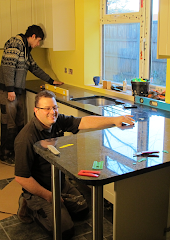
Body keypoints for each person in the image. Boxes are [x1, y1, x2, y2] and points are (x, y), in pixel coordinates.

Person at [14, 90, 135, 239]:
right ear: (36, 110)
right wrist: (49, 196)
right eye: (47, 108)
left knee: (82, 211)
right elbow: (21, 178)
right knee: (65, 231)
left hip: (59, 183)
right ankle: (29, 206)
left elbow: (83, 122)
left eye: (55, 107)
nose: (52, 112)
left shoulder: (56, 121)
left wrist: (115, 119)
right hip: (40, 190)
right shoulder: (25, 138)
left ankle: (58, 205)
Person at [0, 25, 63, 166]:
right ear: (32, 36)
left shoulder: (26, 49)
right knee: (9, 123)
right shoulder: (16, 43)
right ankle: (5, 155)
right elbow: (8, 67)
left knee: (20, 123)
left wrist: (51, 81)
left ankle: (18, 153)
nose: (38, 44)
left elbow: (34, 68)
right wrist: (10, 89)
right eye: (38, 41)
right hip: (8, 91)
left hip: (17, 91)